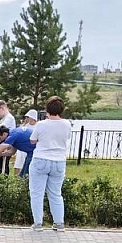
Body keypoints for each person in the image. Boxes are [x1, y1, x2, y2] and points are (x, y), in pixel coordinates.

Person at [28, 96, 72, 231]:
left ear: (47, 109)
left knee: (37, 193)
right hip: (59, 161)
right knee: (56, 193)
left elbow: (32, 140)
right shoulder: (67, 124)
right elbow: (67, 137)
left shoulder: (41, 124)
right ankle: (59, 223)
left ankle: (38, 223)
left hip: (41, 159)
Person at [13, 110, 39, 176]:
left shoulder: (38, 126)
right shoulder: (25, 126)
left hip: (31, 148)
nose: (27, 119)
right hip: (22, 148)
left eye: (28, 117)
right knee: (18, 163)